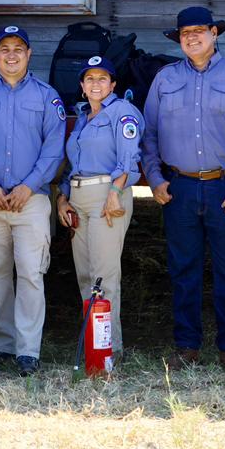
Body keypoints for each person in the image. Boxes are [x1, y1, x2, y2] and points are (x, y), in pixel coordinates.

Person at [141, 7, 225, 372]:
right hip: (178, 188)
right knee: (183, 270)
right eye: (185, 33)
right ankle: (187, 346)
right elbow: (148, 133)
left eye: (199, 31)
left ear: (215, 33)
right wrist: (154, 177)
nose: (192, 38)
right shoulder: (164, 79)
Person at [0, 26, 66, 375]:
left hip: (29, 201)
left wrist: (29, 185)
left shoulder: (48, 98)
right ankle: (3, 344)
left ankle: (28, 351)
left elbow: (54, 150)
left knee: (32, 273)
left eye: (18, 48)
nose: (11, 55)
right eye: (4, 48)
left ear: (29, 54)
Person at [55, 56, 143, 356]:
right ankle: (93, 343)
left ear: (114, 84)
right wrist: (62, 197)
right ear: (81, 86)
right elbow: (72, 166)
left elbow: (129, 159)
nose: (95, 83)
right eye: (89, 79)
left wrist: (116, 191)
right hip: (78, 198)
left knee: (103, 277)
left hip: (107, 195)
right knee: (85, 275)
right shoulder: (82, 118)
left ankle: (109, 350)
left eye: (102, 78)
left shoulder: (122, 113)